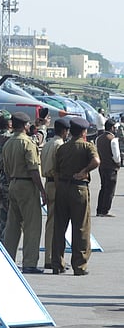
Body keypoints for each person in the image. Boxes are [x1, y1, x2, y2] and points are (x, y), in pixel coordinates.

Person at [52, 117, 100, 275]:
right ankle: (79, 265)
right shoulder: (87, 146)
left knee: (59, 226)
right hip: (78, 188)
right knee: (80, 227)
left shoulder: (62, 148)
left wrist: (60, 188)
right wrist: (84, 171)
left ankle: (57, 263)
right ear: (84, 132)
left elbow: (56, 171)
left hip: (62, 187)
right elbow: (96, 161)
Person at [2, 112, 48, 273]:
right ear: (25, 125)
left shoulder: (8, 143)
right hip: (27, 184)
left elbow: (6, 169)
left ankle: (8, 259)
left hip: (13, 183)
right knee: (32, 226)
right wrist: (42, 190)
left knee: (12, 226)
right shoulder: (27, 143)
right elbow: (33, 169)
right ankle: (29, 262)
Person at [40, 117, 69, 271]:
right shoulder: (60, 145)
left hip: (48, 183)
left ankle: (50, 257)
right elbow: (58, 169)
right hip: (56, 184)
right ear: (64, 131)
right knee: (56, 224)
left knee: (50, 222)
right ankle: (53, 258)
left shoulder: (48, 144)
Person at [0, 110, 13, 240]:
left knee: (3, 214)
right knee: (9, 217)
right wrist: (41, 129)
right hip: (8, 180)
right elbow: (33, 141)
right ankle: (6, 244)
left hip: (1, 178)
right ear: (9, 123)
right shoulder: (8, 138)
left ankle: (2, 242)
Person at [96, 119, 121, 217]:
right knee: (110, 189)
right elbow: (116, 156)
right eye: (115, 127)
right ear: (111, 128)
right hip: (111, 167)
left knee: (103, 187)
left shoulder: (98, 139)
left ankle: (99, 209)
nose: (116, 129)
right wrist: (118, 163)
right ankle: (105, 210)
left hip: (102, 166)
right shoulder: (113, 139)